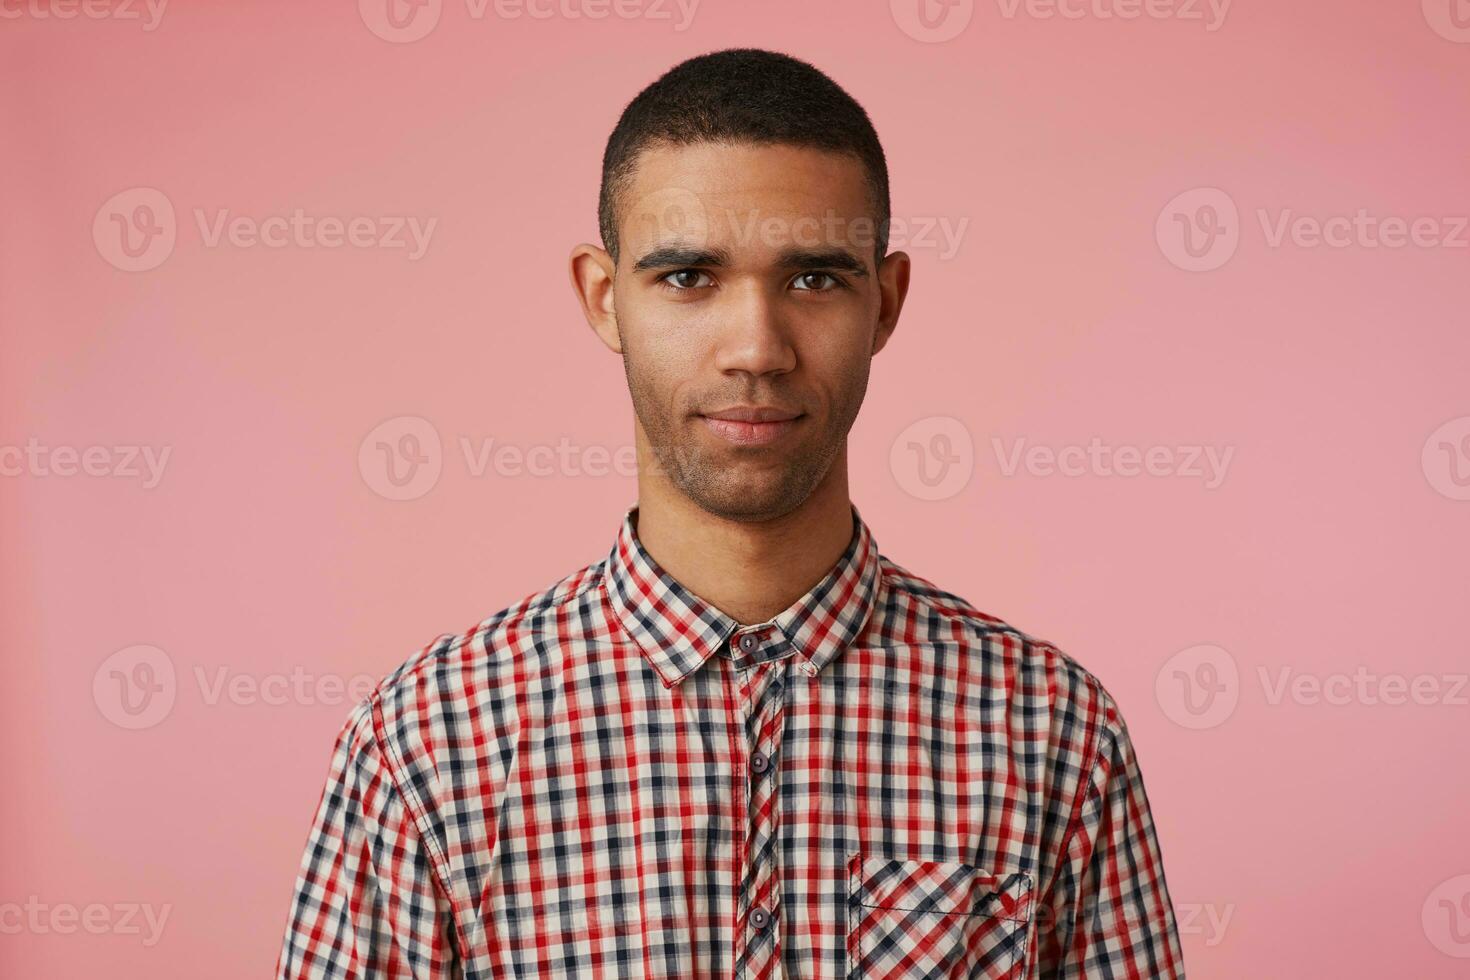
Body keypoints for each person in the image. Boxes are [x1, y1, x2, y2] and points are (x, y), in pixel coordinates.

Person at [275, 47, 1185, 979]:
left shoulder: (1052, 730)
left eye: (814, 279)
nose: (756, 348)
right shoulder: (427, 745)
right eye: (687, 277)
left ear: (887, 302)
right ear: (603, 298)